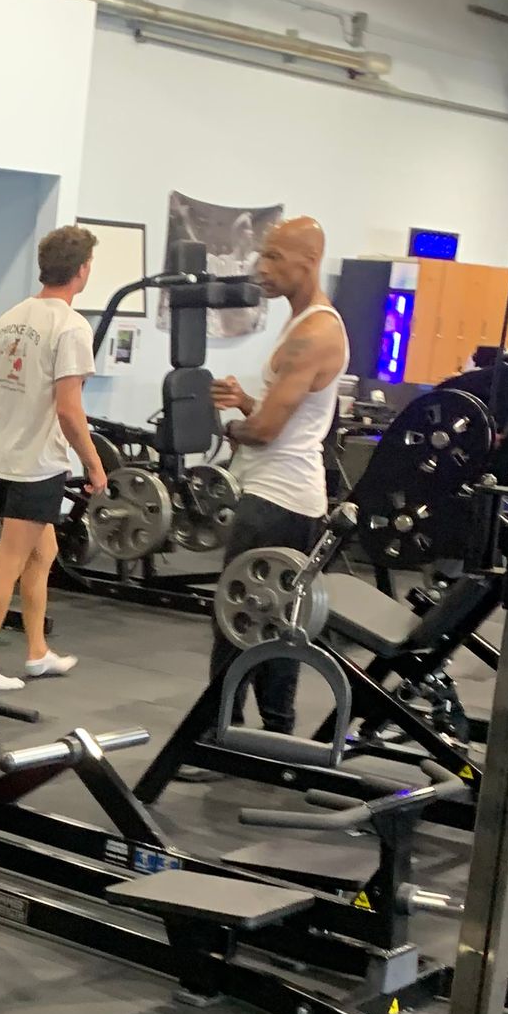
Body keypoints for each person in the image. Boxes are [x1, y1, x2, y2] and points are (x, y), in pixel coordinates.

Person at [0, 224, 109, 694]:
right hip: (37, 464)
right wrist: (95, 464)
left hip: (4, 460)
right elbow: (69, 408)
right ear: (82, 271)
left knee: (45, 552)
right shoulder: (71, 326)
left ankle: (37, 653)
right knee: (10, 561)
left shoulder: (8, 320)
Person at [208, 214, 350, 733]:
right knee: (276, 620)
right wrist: (247, 402)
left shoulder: (312, 332)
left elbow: (267, 431)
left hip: (276, 498)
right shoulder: (304, 322)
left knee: (236, 619)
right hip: (288, 496)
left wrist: (234, 427)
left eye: (273, 256)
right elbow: (287, 416)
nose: (260, 267)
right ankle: (275, 730)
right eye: (261, 255)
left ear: (308, 262)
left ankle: (214, 734)